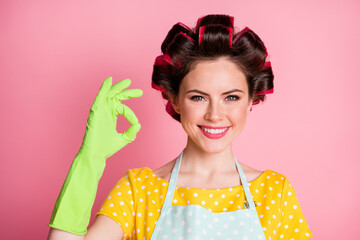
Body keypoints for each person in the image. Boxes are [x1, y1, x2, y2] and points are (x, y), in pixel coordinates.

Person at [48, 14, 313, 240]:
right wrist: (89, 159)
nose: (214, 114)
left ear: (250, 102)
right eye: (198, 97)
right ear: (175, 101)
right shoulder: (139, 190)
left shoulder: (274, 193)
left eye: (231, 97)